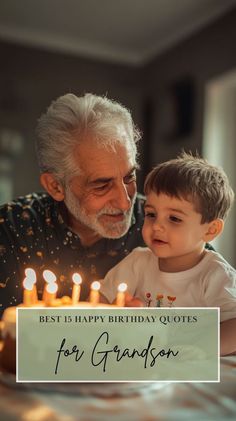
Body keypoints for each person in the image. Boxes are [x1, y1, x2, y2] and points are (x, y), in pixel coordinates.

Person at [0, 93, 146, 316]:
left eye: (129, 177)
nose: (125, 202)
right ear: (56, 186)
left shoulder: (167, 222)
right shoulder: (10, 230)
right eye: (101, 185)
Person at [100, 153, 236, 355]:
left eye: (174, 218)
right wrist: (116, 313)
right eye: (151, 214)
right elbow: (99, 301)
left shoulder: (215, 274)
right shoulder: (138, 262)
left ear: (210, 230)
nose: (157, 226)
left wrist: (200, 348)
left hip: (190, 371)